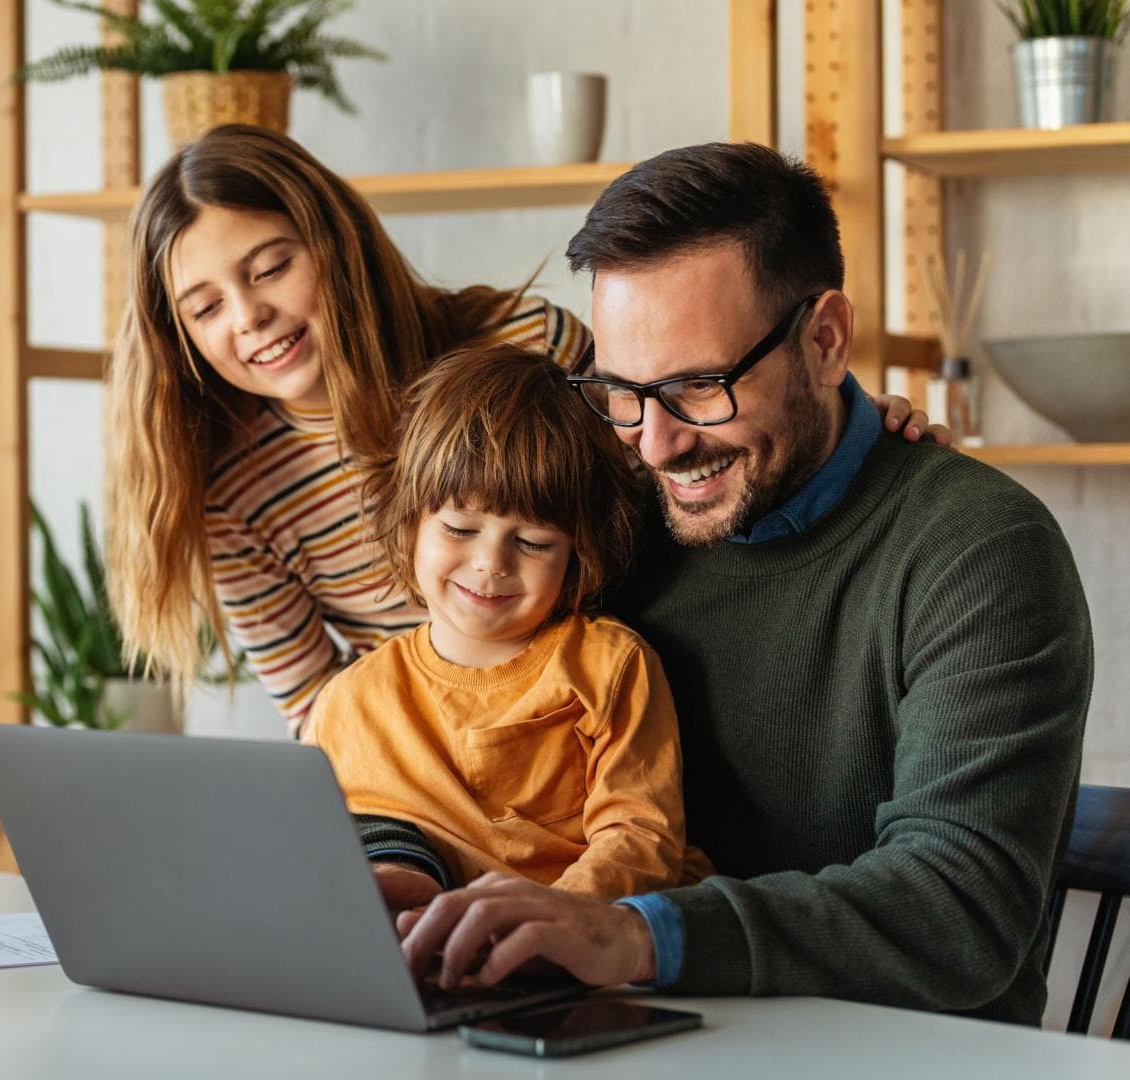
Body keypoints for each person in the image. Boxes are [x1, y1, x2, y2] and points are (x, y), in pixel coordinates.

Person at [392, 142, 1092, 1026]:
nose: (654, 443)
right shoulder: (612, 521)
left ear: (826, 339)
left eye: (697, 386)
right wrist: (394, 860)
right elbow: (456, 719)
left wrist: (633, 934)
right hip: (631, 1032)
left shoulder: (978, 550)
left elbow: (959, 908)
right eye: (621, 391)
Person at [103, 125, 942, 740]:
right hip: (431, 772)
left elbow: (689, 465)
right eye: (204, 307)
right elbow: (320, 720)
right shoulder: (232, 499)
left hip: (626, 714)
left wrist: (854, 426)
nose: (249, 319)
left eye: (270, 267)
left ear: (334, 246)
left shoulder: (522, 344)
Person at [305, 343, 691, 906]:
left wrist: (559, 921)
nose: (491, 564)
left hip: (584, 948)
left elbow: (640, 839)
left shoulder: (609, 665)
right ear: (410, 523)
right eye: (460, 529)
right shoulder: (348, 704)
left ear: (578, 556)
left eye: (533, 542)